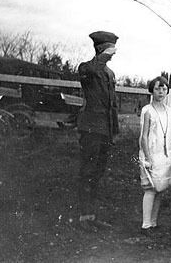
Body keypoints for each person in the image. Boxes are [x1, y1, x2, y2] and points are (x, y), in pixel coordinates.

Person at [76, 31, 120, 226]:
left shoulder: (110, 74)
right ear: (100, 49)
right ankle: (83, 217)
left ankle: (91, 216)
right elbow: (94, 68)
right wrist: (103, 56)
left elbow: (113, 106)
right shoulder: (87, 68)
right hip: (91, 129)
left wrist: (114, 132)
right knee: (88, 171)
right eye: (109, 49)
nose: (113, 53)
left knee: (98, 173)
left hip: (105, 130)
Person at [138, 76, 171, 232]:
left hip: (165, 154)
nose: (161, 92)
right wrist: (148, 158)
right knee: (150, 188)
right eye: (157, 88)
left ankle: (154, 222)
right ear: (152, 90)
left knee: (160, 188)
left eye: (164, 89)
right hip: (151, 153)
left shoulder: (169, 110)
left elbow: (170, 134)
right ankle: (146, 224)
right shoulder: (147, 110)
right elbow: (143, 136)